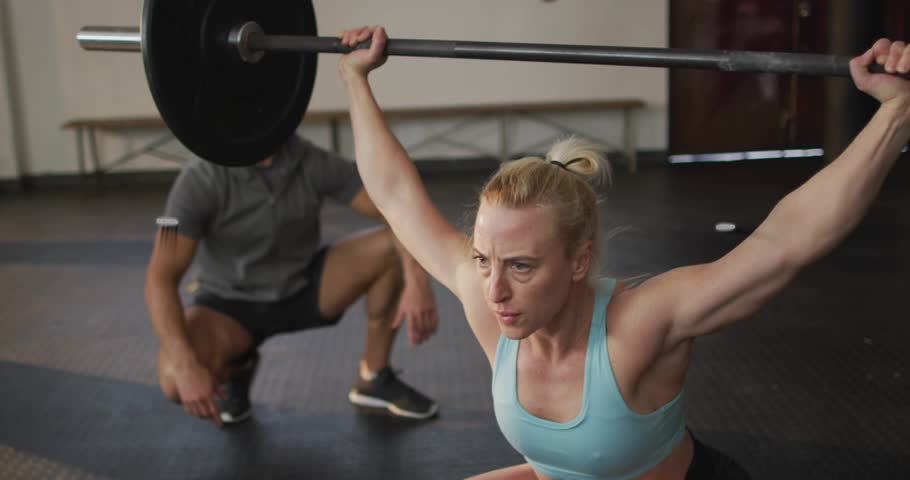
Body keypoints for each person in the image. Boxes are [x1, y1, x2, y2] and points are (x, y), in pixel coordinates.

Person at [337, 25, 910, 479]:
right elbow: (394, 196)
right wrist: (355, 79)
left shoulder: (642, 323)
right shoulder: (489, 303)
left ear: (578, 262)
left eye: (521, 266)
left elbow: (784, 243)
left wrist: (894, 114)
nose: (495, 291)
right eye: (484, 260)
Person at [144, 132, 441, 426]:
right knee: (172, 377)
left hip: (304, 286)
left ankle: (374, 378)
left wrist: (417, 280)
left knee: (391, 248)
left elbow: (394, 207)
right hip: (230, 306)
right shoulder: (198, 177)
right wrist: (185, 367)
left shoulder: (309, 159)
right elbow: (159, 276)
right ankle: (237, 367)